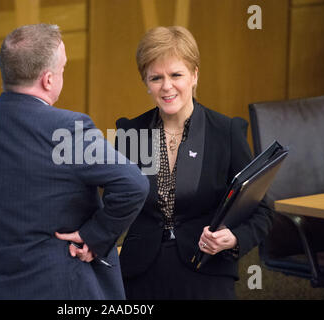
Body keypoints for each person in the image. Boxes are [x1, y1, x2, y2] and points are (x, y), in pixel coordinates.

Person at [0, 24, 149, 300]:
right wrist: (94, 235)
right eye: (63, 70)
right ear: (48, 79)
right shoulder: (68, 130)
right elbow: (133, 185)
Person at [115, 26, 272, 299]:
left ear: (194, 75)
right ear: (145, 82)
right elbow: (113, 204)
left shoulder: (226, 132)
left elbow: (263, 211)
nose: (167, 86)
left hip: (206, 268)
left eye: (176, 75)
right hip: (140, 271)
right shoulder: (131, 133)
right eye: (156, 77)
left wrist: (234, 238)